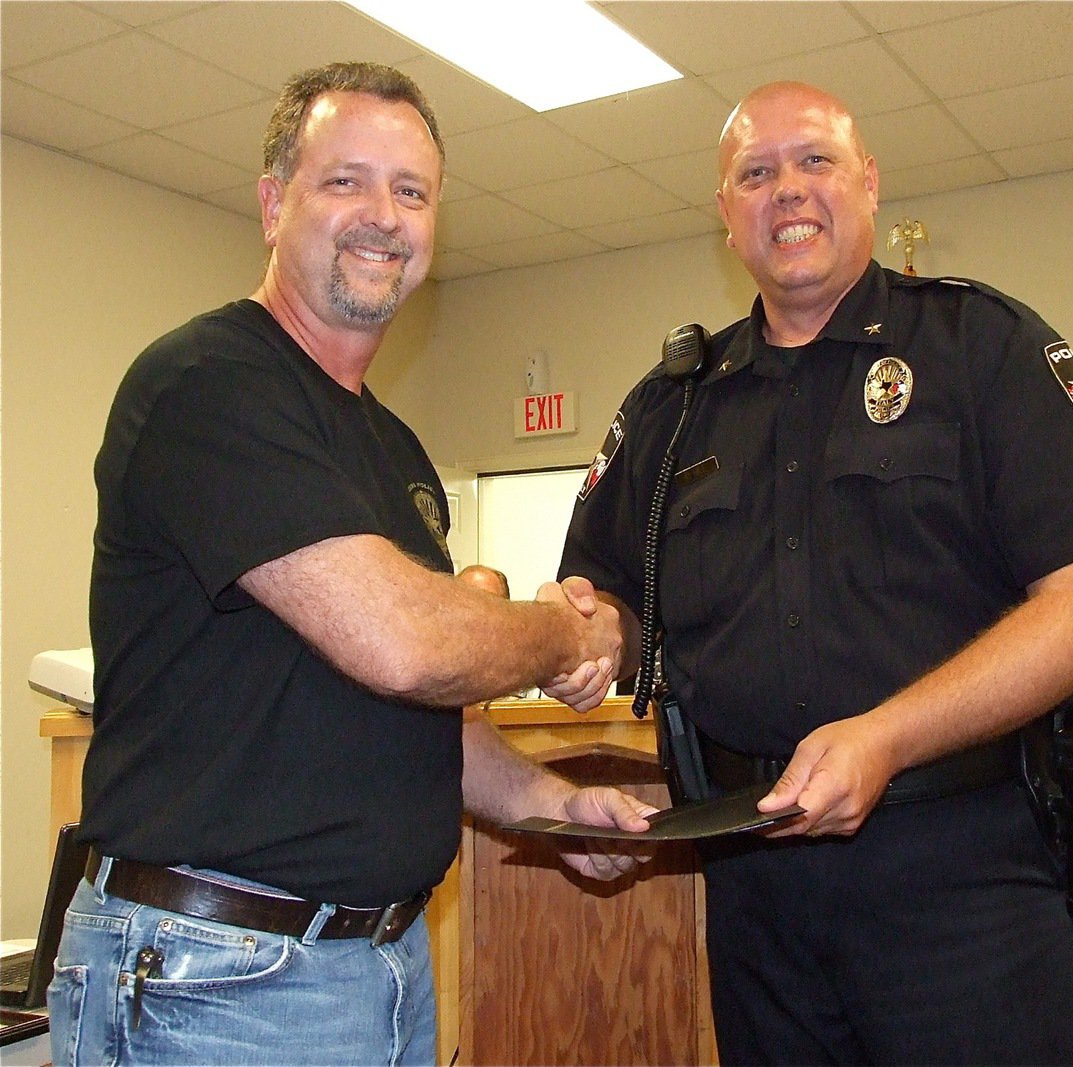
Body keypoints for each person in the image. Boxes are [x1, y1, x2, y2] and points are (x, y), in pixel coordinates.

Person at [52, 62, 653, 1067]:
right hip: (216, 978)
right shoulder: (212, 385)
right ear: (274, 204)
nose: (385, 215)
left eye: (411, 192)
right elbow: (407, 643)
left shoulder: (393, 450)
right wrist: (569, 631)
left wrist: (551, 803)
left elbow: (416, 718)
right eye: (348, 181)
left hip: (376, 967)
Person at [554, 81, 1073, 1066]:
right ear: (726, 214)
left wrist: (886, 736)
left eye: (814, 162)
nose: (786, 190)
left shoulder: (983, 348)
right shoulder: (673, 408)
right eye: (754, 173)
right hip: (756, 896)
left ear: (869, 183)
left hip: (966, 880)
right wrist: (582, 634)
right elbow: (613, 598)